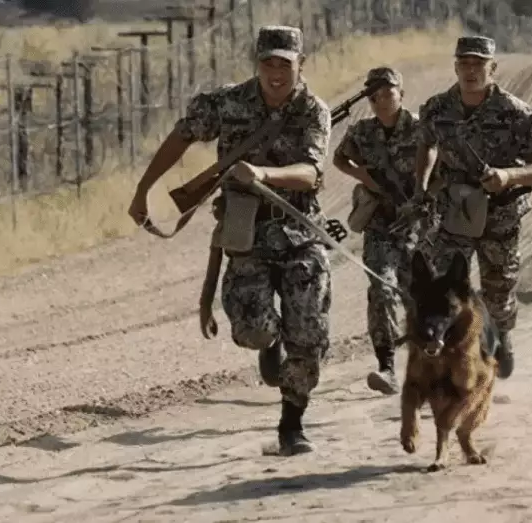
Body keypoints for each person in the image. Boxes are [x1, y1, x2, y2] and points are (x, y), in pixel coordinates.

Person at [126, 25, 333, 457]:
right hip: (245, 232)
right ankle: (269, 345)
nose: (276, 73)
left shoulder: (314, 110)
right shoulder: (228, 102)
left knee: (308, 332)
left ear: (301, 65)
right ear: (257, 63)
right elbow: (183, 135)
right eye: (267, 63)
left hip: (299, 232)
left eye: (285, 64)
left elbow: (312, 172)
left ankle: (291, 425)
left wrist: (264, 174)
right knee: (253, 330)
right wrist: (144, 189)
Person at [411, 35, 532, 380]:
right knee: (445, 290)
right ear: (456, 67)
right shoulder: (436, 109)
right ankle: (449, 357)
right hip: (453, 213)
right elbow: (427, 145)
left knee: (498, 293)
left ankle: (501, 335)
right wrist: (421, 185)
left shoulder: (518, 114)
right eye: (465, 63)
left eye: (479, 64)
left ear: (493, 68)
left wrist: (508, 175)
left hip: (499, 215)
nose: (471, 71)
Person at [332, 66, 421, 396]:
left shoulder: (421, 129)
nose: (382, 101)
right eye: (375, 96)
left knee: (420, 298)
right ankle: (387, 366)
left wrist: (422, 197)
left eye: (388, 93)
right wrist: (365, 179)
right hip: (380, 227)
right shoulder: (362, 132)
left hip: (418, 228)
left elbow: (443, 168)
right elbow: (340, 159)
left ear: (401, 94)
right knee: (382, 289)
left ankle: (432, 367)